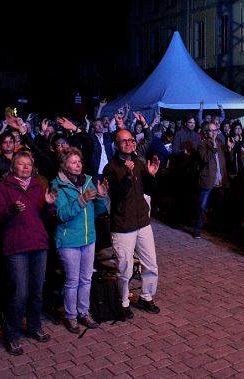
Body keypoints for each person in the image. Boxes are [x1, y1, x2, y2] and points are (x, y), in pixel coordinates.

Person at [0, 151, 57, 355]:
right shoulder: (5, 186)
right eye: (21, 164)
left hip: (38, 244)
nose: (25, 167)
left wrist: (48, 205)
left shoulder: (39, 185)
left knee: (37, 291)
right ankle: (12, 335)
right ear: (14, 167)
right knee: (19, 293)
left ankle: (34, 326)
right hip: (16, 246)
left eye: (28, 164)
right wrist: (11, 209)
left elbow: (47, 216)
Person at [103, 129, 161, 320]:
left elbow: (151, 191)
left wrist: (151, 175)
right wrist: (127, 176)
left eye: (131, 140)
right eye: (124, 141)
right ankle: (123, 302)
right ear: (116, 145)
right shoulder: (110, 168)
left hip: (142, 222)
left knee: (151, 263)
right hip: (123, 225)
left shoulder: (139, 163)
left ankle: (146, 297)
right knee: (124, 268)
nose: (129, 143)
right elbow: (117, 195)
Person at [51, 147, 108, 334]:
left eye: (79, 161)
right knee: (72, 280)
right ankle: (71, 316)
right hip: (69, 241)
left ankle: (84, 312)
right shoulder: (57, 185)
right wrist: (81, 201)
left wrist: (101, 196)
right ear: (64, 165)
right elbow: (61, 214)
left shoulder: (88, 181)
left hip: (88, 238)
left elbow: (99, 211)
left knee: (86, 279)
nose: (78, 165)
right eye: (73, 162)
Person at [192, 122, 232, 239]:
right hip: (208, 178)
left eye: (216, 130)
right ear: (206, 132)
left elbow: (227, 160)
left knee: (219, 205)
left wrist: (229, 149)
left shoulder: (220, 142)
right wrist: (213, 147)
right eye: (211, 130)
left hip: (220, 178)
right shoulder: (202, 144)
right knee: (202, 205)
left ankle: (216, 227)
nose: (214, 133)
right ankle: (197, 229)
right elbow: (205, 159)